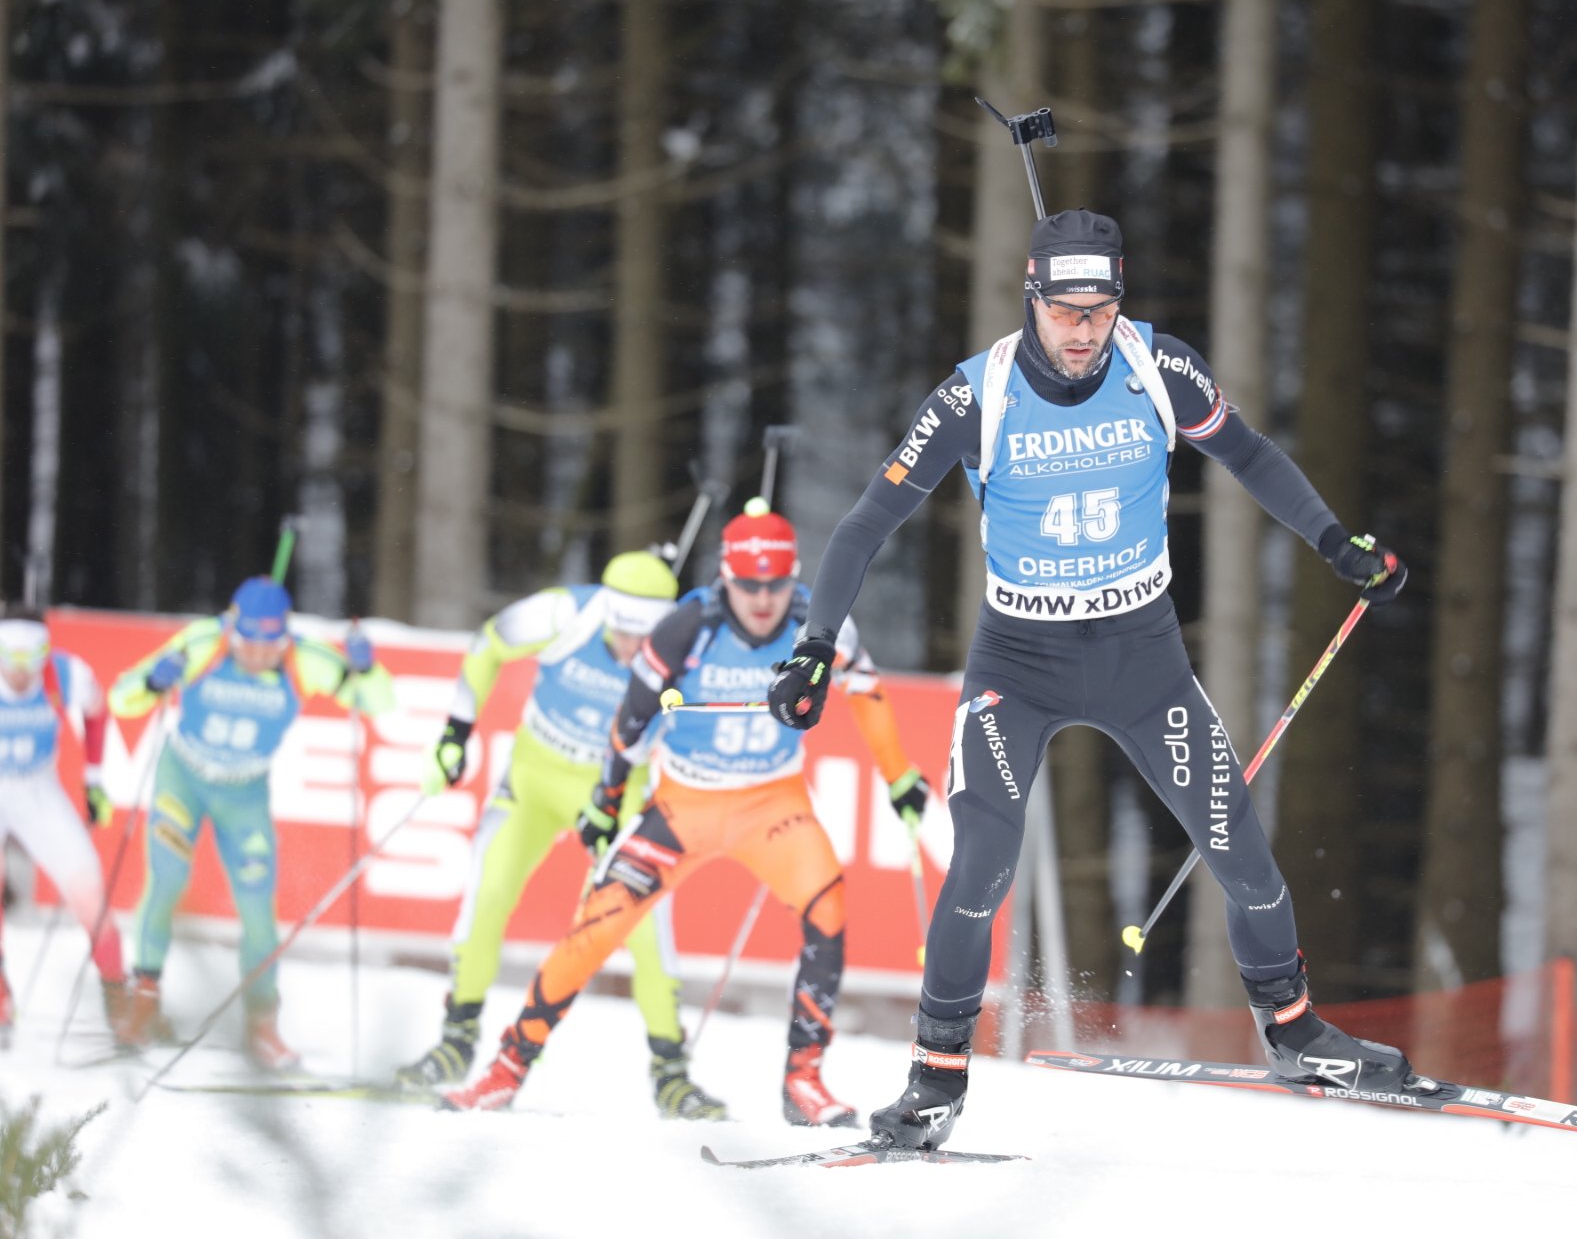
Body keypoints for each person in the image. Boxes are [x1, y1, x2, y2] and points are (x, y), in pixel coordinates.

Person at [766, 209, 1431, 1151]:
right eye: (1064, 311)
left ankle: (1295, 1034)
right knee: (981, 862)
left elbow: (1246, 451)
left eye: (1101, 310)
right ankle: (934, 1080)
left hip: (1141, 659)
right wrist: (813, 644)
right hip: (1019, 664)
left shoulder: (1159, 368)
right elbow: (867, 522)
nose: (1083, 332)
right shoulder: (976, 395)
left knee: (1240, 848)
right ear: (1030, 298)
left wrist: (1335, 541)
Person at [445, 504, 932, 1123]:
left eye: (775, 584)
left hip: (772, 806)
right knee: (600, 921)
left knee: (828, 907)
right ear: (726, 576)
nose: (763, 599)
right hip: (684, 807)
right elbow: (631, 717)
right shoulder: (687, 627)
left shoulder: (818, 624)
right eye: (749, 584)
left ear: (794, 577)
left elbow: (868, 692)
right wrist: (608, 799)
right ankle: (505, 1070)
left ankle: (804, 1081)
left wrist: (899, 776)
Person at [395, 551, 727, 1120]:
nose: (633, 648)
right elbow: (487, 644)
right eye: (623, 632)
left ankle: (670, 1074)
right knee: (488, 892)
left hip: (617, 793)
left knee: (645, 925)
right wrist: (455, 734)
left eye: (644, 636)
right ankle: (456, 1041)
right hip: (534, 781)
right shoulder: (565, 614)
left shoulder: (684, 643)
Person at [108, 577, 395, 1069]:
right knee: (168, 879)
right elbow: (122, 698)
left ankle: (262, 1024)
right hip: (184, 779)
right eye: (248, 643)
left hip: (244, 794)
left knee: (258, 906)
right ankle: (144, 1000)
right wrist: (155, 679)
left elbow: (380, 703)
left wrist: (366, 669)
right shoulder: (204, 642)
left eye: (271, 646)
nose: (259, 656)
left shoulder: (307, 658)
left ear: (285, 635)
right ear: (232, 628)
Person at [0, 606, 135, 1047]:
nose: (21, 674)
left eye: (31, 661)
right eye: (10, 660)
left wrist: (94, 778)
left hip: (38, 790)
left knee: (88, 885)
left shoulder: (65, 673)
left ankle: (118, 997)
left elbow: (97, 712)